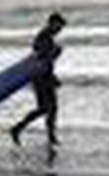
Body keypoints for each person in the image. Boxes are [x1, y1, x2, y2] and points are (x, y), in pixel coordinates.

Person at [10, 12, 67, 146]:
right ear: (52, 23)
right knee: (48, 108)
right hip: (41, 78)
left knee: (46, 108)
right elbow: (41, 57)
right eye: (59, 26)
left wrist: (53, 76)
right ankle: (47, 136)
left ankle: (20, 129)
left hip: (44, 77)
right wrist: (55, 53)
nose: (60, 30)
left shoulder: (46, 37)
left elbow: (45, 60)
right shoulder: (43, 37)